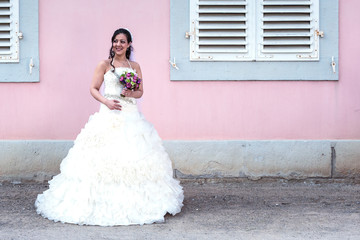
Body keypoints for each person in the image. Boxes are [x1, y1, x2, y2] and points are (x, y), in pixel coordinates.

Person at [35, 28, 184, 226]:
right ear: (112, 43)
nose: (118, 45)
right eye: (115, 41)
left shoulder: (136, 66)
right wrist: (106, 102)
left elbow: (140, 91)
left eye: (123, 41)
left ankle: (138, 205)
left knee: (135, 158)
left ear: (129, 44)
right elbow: (93, 89)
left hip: (131, 116)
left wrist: (132, 94)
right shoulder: (104, 65)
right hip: (109, 113)